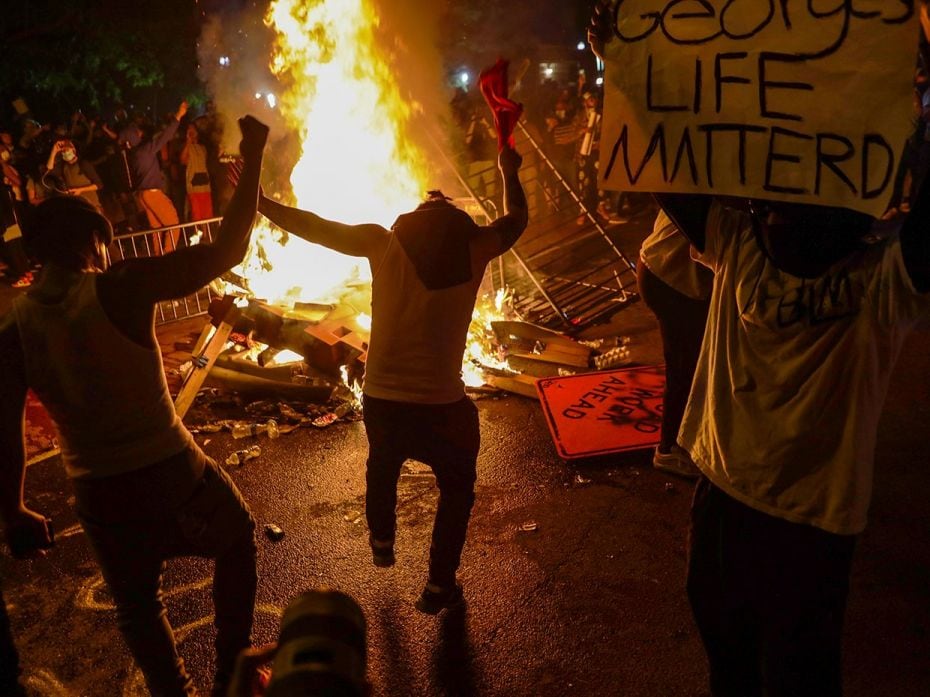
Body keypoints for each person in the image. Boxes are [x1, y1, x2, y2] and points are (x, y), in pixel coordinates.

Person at [591, 5, 930, 695]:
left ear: (857, 214)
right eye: (770, 199)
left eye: (797, 198)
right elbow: (663, 160)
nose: (772, 206)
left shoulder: (885, 283)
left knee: (799, 676)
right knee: (729, 664)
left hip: (810, 530)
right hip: (723, 505)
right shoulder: (740, 246)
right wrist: (620, 62)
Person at [0, 115, 269, 697]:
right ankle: (232, 675)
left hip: (99, 493)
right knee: (237, 538)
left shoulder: (14, 325)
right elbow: (229, 248)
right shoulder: (118, 284)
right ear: (89, 246)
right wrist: (254, 155)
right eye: (104, 244)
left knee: (138, 609)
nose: (109, 252)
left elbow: (3, 424)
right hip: (172, 472)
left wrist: (14, 509)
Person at [245, 146, 528, 614]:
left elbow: (317, 228)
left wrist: (262, 204)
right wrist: (507, 171)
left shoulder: (384, 242)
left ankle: (382, 539)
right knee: (456, 492)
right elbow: (516, 218)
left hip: (383, 399)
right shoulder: (477, 246)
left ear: (412, 219)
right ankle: (439, 583)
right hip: (443, 406)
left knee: (383, 462)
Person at [636, 210, 712, 479]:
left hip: (663, 268)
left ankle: (686, 438)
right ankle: (669, 449)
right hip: (672, 278)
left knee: (691, 361)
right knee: (684, 365)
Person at [122, 101, 188, 253]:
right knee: (173, 223)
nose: (140, 132)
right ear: (135, 136)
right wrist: (178, 116)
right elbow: (165, 136)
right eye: (137, 132)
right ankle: (168, 256)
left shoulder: (133, 154)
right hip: (152, 194)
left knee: (156, 229)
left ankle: (158, 258)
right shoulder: (145, 150)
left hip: (142, 195)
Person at [180, 122, 214, 222]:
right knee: (196, 216)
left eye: (193, 129)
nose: (191, 131)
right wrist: (188, 142)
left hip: (205, 186)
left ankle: (207, 236)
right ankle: (198, 237)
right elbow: (182, 160)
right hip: (193, 187)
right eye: (189, 129)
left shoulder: (203, 148)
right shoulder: (186, 147)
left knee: (207, 216)